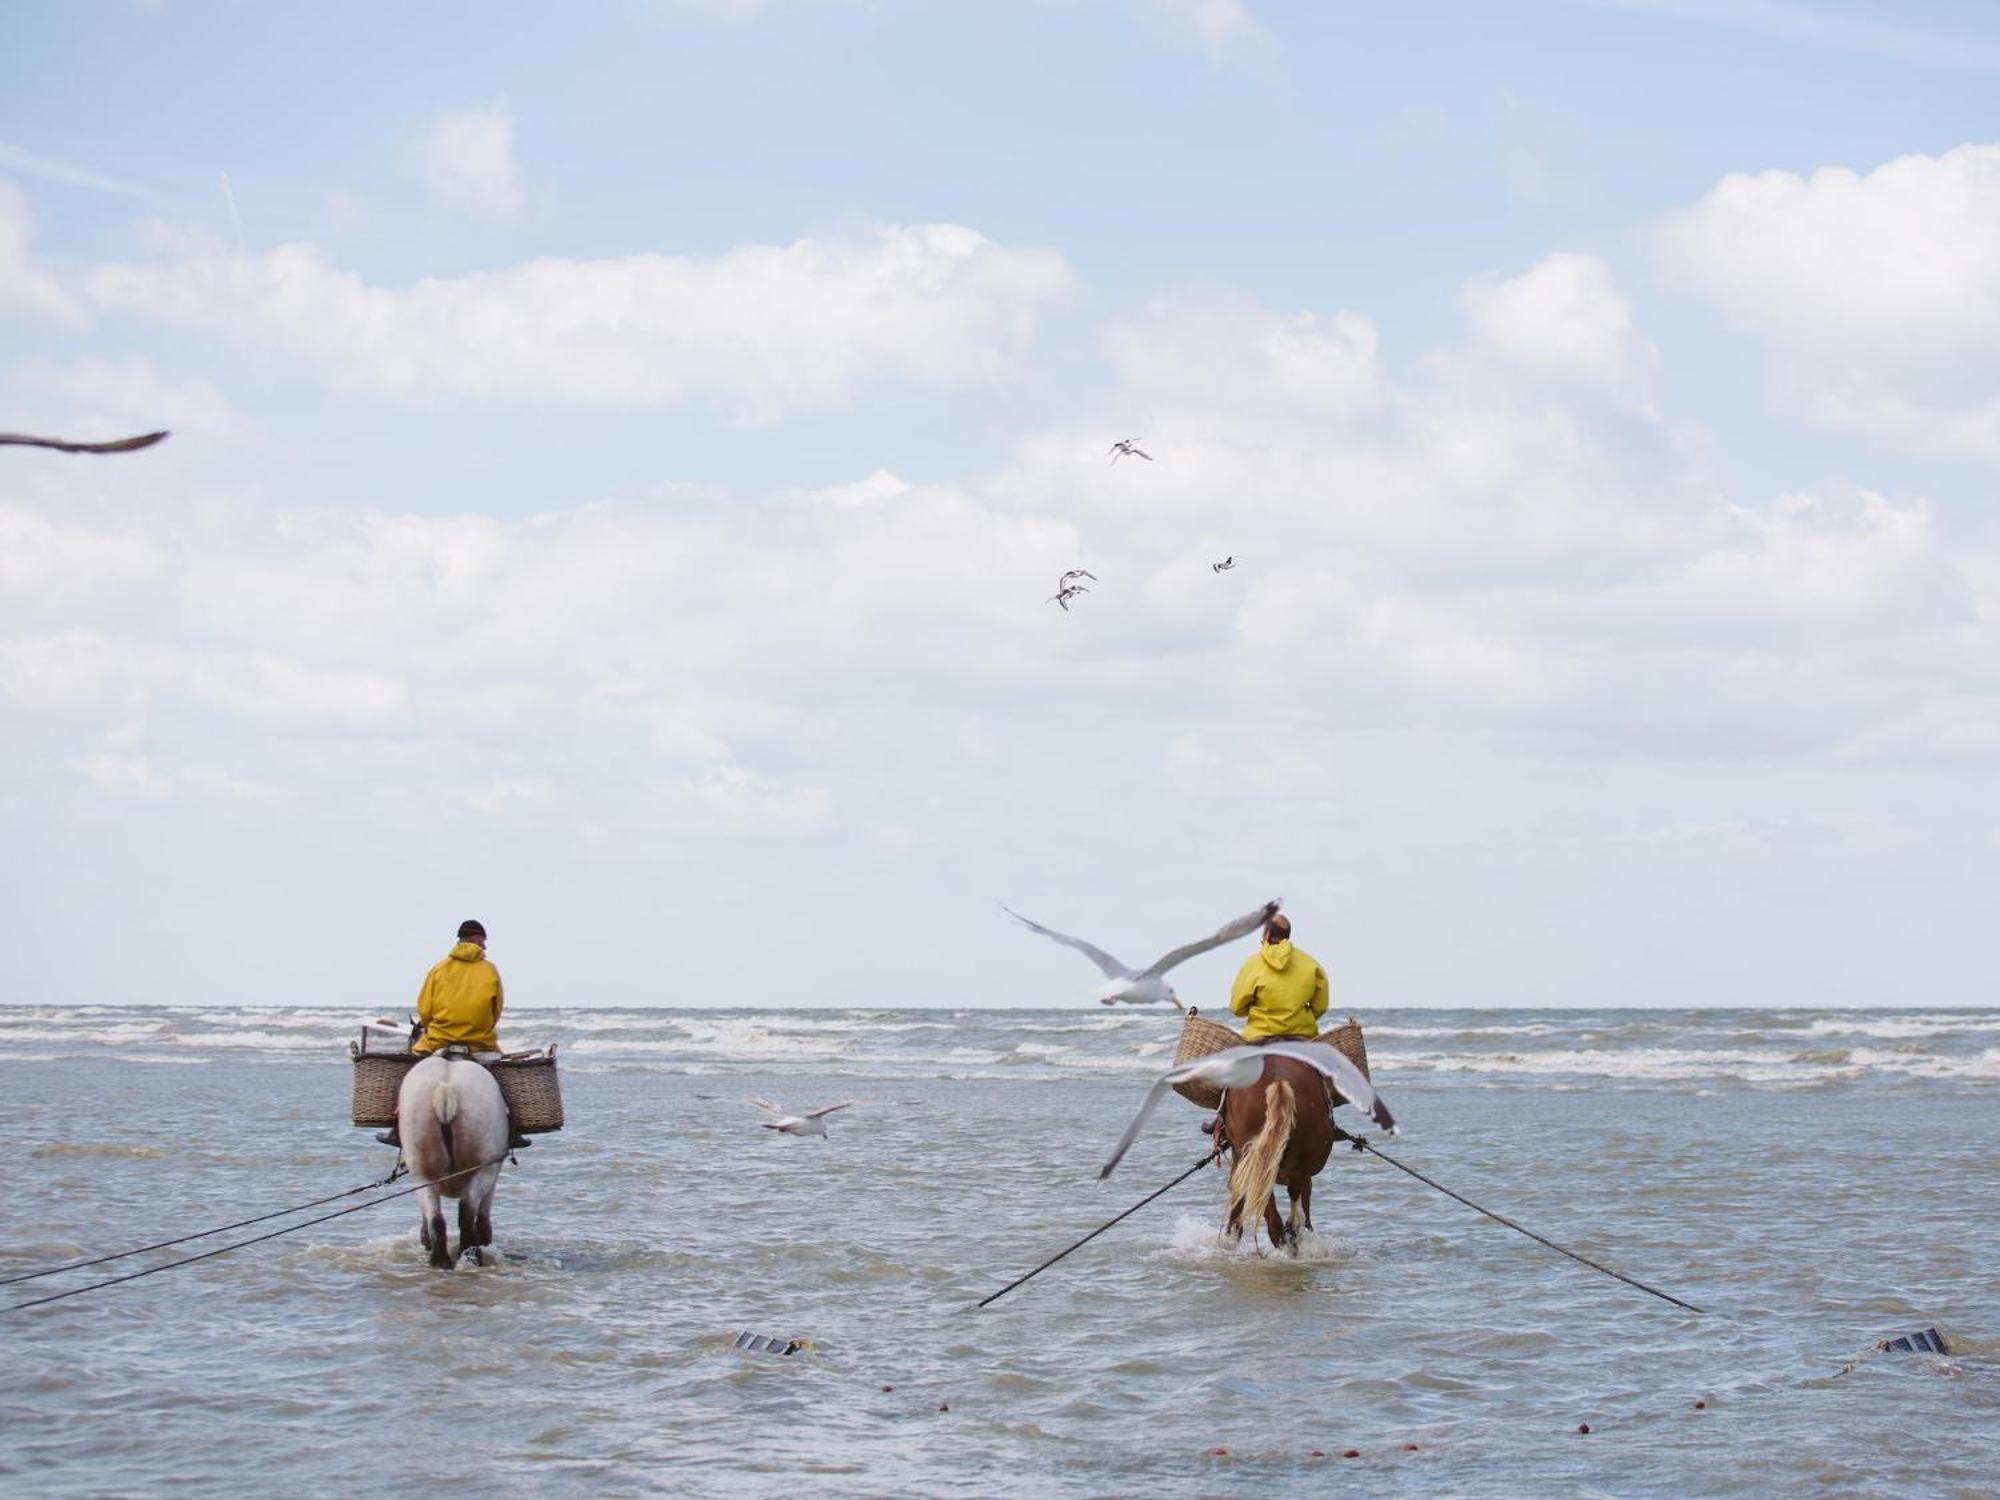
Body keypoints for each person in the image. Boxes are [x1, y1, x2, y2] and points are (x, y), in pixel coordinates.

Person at [376, 920, 530, 1149]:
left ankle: (396, 1129)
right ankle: (513, 1130)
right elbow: (496, 1009)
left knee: (409, 1074)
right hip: (479, 1042)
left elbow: (425, 1009)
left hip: (438, 1039)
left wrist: (432, 1025)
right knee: (500, 1082)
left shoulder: (439, 968)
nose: (485, 946)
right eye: (483, 940)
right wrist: (482, 1027)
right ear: (476, 938)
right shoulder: (489, 970)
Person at [1228, 911, 1328, 1041]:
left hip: (1258, 1036)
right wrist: (1299, 1019)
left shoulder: (1252, 963)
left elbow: (1237, 1007)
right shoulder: (1311, 964)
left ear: (1267, 933)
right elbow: (1320, 1006)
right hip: (1302, 1035)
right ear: (1287, 935)